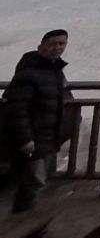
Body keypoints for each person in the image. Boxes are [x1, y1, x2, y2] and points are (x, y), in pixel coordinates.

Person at [2, 29, 72, 213]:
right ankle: (18, 229)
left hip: (48, 138)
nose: (58, 47)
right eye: (53, 44)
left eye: (62, 43)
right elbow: (17, 108)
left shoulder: (54, 70)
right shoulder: (29, 72)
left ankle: (23, 228)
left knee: (35, 183)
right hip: (33, 139)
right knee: (33, 183)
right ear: (41, 46)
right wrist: (25, 139)